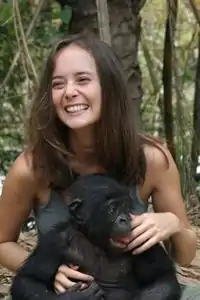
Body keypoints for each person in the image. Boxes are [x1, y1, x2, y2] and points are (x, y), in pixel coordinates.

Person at [0, 33, 199, 299]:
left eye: (83, 79)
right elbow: (2, 242)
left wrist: (171, 222)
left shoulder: (151, 159)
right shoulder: (33, 167)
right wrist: (48, 270)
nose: (69, 92)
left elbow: (185, 257)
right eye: (58, 84)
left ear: (109, 87)